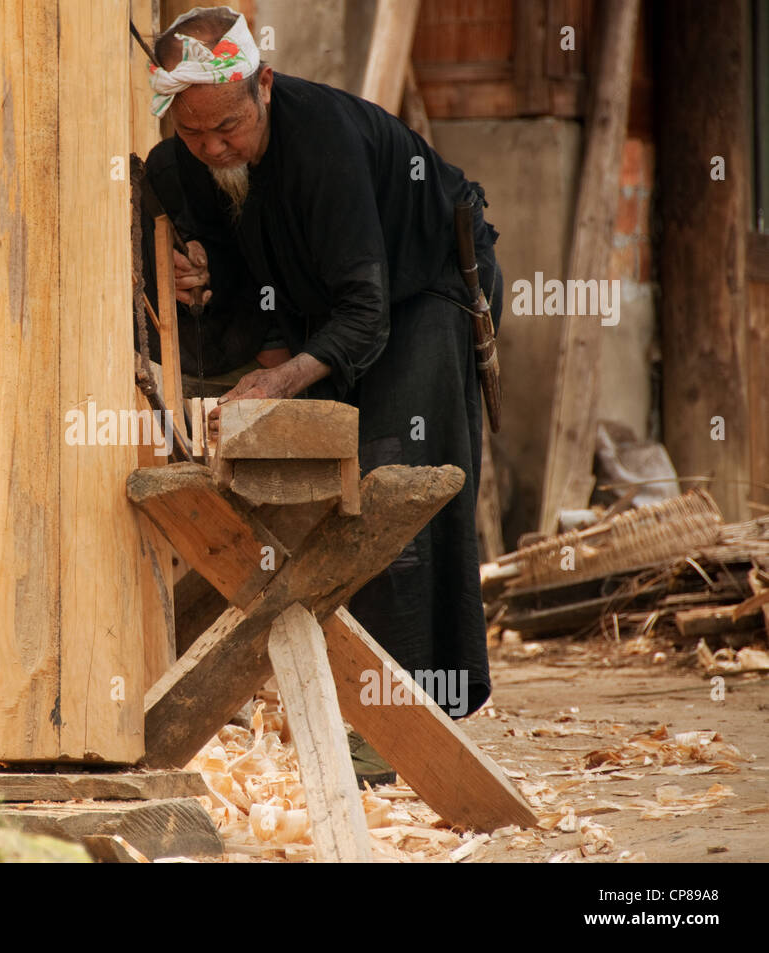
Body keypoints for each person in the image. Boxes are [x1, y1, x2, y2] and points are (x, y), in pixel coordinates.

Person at [141, 5, 503, 718]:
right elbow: (255, 287)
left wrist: (281, 378)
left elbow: (366, 311)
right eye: (192, 130)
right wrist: (197, 283)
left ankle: (410, 715)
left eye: (228, 127)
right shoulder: (179, 163)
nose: (213, 146)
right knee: (313, 480)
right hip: (327, 304)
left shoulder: (323, 142)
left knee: (396, 476)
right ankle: (339, 696)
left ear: (264, 85)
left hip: (419, 289)